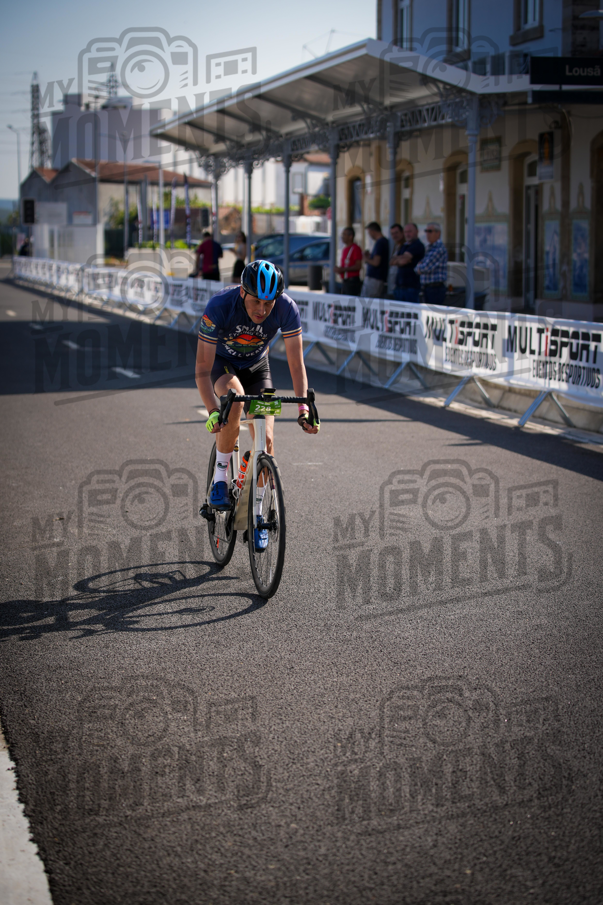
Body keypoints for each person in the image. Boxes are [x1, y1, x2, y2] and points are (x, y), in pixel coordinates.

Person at [195, 260, 319, 550]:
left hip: (256, 367)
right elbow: (202, 367)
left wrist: (304, 410)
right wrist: (213, 410)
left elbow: (296, 363)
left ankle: (258, 514)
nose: (262, 310)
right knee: (235, 400)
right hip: (222, 367)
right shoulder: (219, 306)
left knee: (267, 438)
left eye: (268, 303)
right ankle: (221, 478)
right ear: (242, 293)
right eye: (256, 302)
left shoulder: (287, 309)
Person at [390, 222, 425, 304]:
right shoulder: (404, 246)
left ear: (416, 231)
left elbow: (403, 261)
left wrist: (400, 259)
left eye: (410, 231)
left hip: (411, 287)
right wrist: (402, 258)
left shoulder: (418, 245)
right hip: (399, 286)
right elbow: (391, 261)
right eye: (405, 232)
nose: (407, 234)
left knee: (410, 315)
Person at [415, 222, 448, 306]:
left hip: (435, 289)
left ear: (438, 233)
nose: (427, 234)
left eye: (430, 231)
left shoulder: (439, 248)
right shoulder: (429, 247)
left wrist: (420, 267)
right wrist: (419, 266)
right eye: (426, 231)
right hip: (427, 288)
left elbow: (425, 267)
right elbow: (417, 267)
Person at [361, 221, 389, 298]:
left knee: (368, 300)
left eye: (369, 233)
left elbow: (376, 262)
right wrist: (369, 256)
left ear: (373, 231)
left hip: (375, 278)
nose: (369, 235)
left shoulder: (380, 243)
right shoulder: (382, 242)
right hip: (377, 278)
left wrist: (366, 259)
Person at [334, 226, 362, 295]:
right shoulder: (345, 249)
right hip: (345, 281)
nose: (342, 237)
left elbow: (358, 266)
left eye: (344, 234)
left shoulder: (355, 248)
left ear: (350, 236)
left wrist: (343, 269)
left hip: (352, 282)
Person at [387, 224, 405, 297]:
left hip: (403, 285)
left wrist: (395, 260)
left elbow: (402, 261)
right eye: (392, 234)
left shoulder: (405, 246)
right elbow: (391, 262)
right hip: (394, 284)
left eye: (396, 233)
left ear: (402, 232)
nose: (395, 235)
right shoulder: (396, 245)